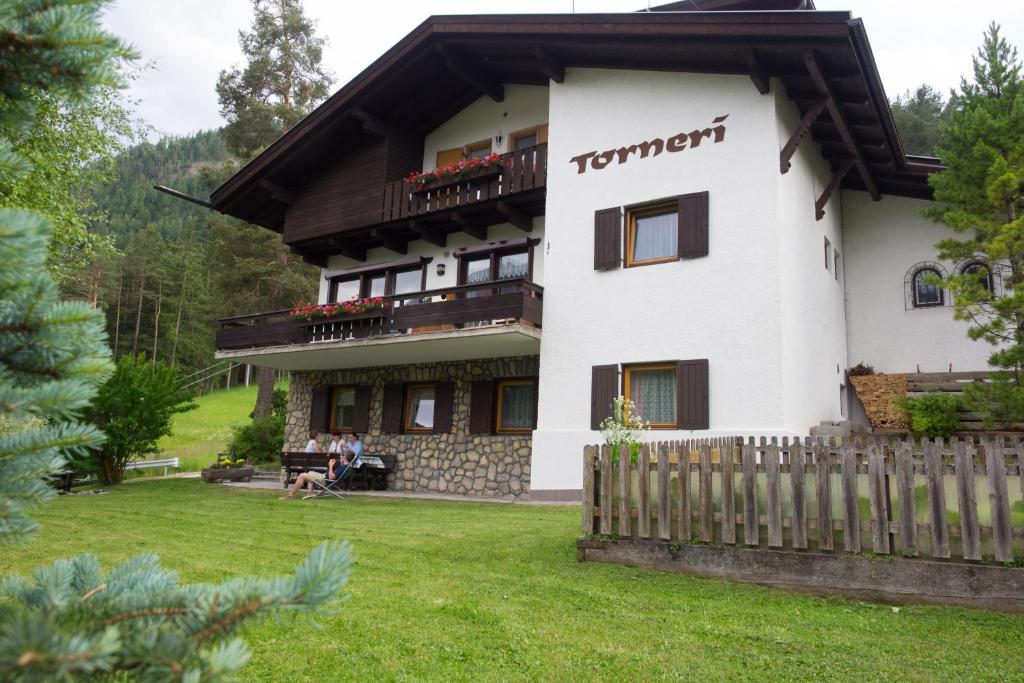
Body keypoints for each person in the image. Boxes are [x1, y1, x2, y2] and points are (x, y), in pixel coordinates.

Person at [280, 454, 344, 500]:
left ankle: (290, 495)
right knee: (310, 473)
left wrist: (330, 465)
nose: (342, 457)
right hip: (323, 476)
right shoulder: (344, 466)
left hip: (324, 480)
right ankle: (309, 493)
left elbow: (332, 477)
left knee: (302, 476)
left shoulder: (342, 467)